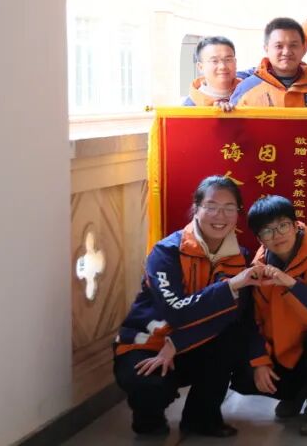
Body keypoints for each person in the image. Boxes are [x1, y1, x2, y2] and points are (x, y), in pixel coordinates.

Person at [113, 176, 260, 437]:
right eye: (211, 206)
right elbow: (176, 311)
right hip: (149, 344)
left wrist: (177, 343)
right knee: (150, 388)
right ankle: (149, 419)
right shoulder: (166, 252)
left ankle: (202, 419)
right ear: (196, 208)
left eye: (229, 208)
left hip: (191, 344)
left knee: (232, 337)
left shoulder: (240, 258)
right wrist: (230, 287)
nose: (220, 216)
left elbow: (231, 317)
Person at [228, 196, 307, 436]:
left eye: (283, 225)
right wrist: (259, 360)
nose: (277, 235)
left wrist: (290, 283)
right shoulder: (257, 266)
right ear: (259, 239)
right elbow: (250, 318)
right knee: (244, 375)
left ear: (295, 225)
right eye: (267, 231)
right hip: (282, 343)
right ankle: (295, 392)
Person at [230, 18, 307, 129]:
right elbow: (232, 132)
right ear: (266, 49)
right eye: (279, 46)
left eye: (293, 45)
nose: (286, 52)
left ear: (303, 48)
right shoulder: (247, 89)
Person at [183, 36, 240, 109]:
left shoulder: (249, 92)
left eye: (228, 60)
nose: (222, 66)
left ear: (235, 62)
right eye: (214, 61)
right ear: (200, 67)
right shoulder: (189, 107)